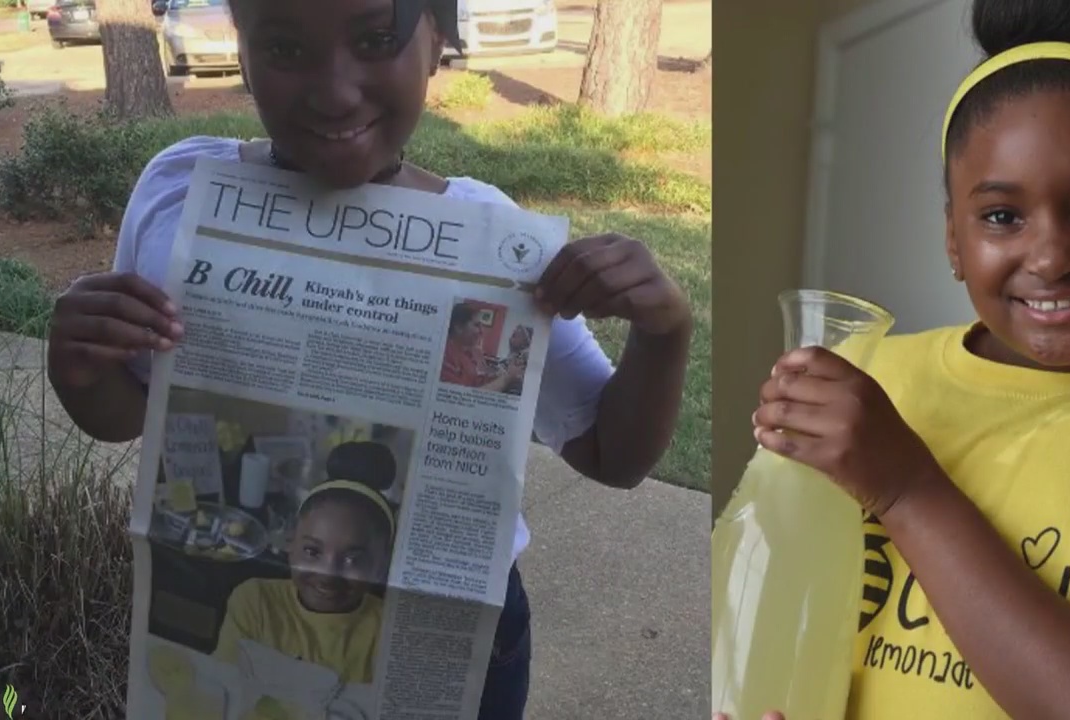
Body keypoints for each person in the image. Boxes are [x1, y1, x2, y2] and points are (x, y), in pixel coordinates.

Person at [44, 0, 693, 716]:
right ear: (242, 47)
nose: (334, 90)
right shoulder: (180, 194)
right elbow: (130, 413)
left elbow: (613, 455)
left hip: (450, 631)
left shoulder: (494, 249)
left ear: (439, 40)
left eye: (377, 38)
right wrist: (82, 369)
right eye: (286, 47)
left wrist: (664, 334)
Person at [721, 0, 1070, 718]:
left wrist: (907, 487)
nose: (1050, 257)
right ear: (954, 239)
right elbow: (766, 605)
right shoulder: (868, 377)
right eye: (1003, 217)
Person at [213, 476, 395, 686]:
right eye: (312, 551)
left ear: (381, 566)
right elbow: (223, 688)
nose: (328, 574)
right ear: (290, 544)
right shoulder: (255, 602)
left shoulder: (390, 632)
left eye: (351, 559)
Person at [440, 302, 525, 393]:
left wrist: (498, 376)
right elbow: (464, 398)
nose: (481, 332)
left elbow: (475, 380)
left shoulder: (468, 353)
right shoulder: (444, 357)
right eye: (477, 325)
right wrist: (507, 378)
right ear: (459, 327)